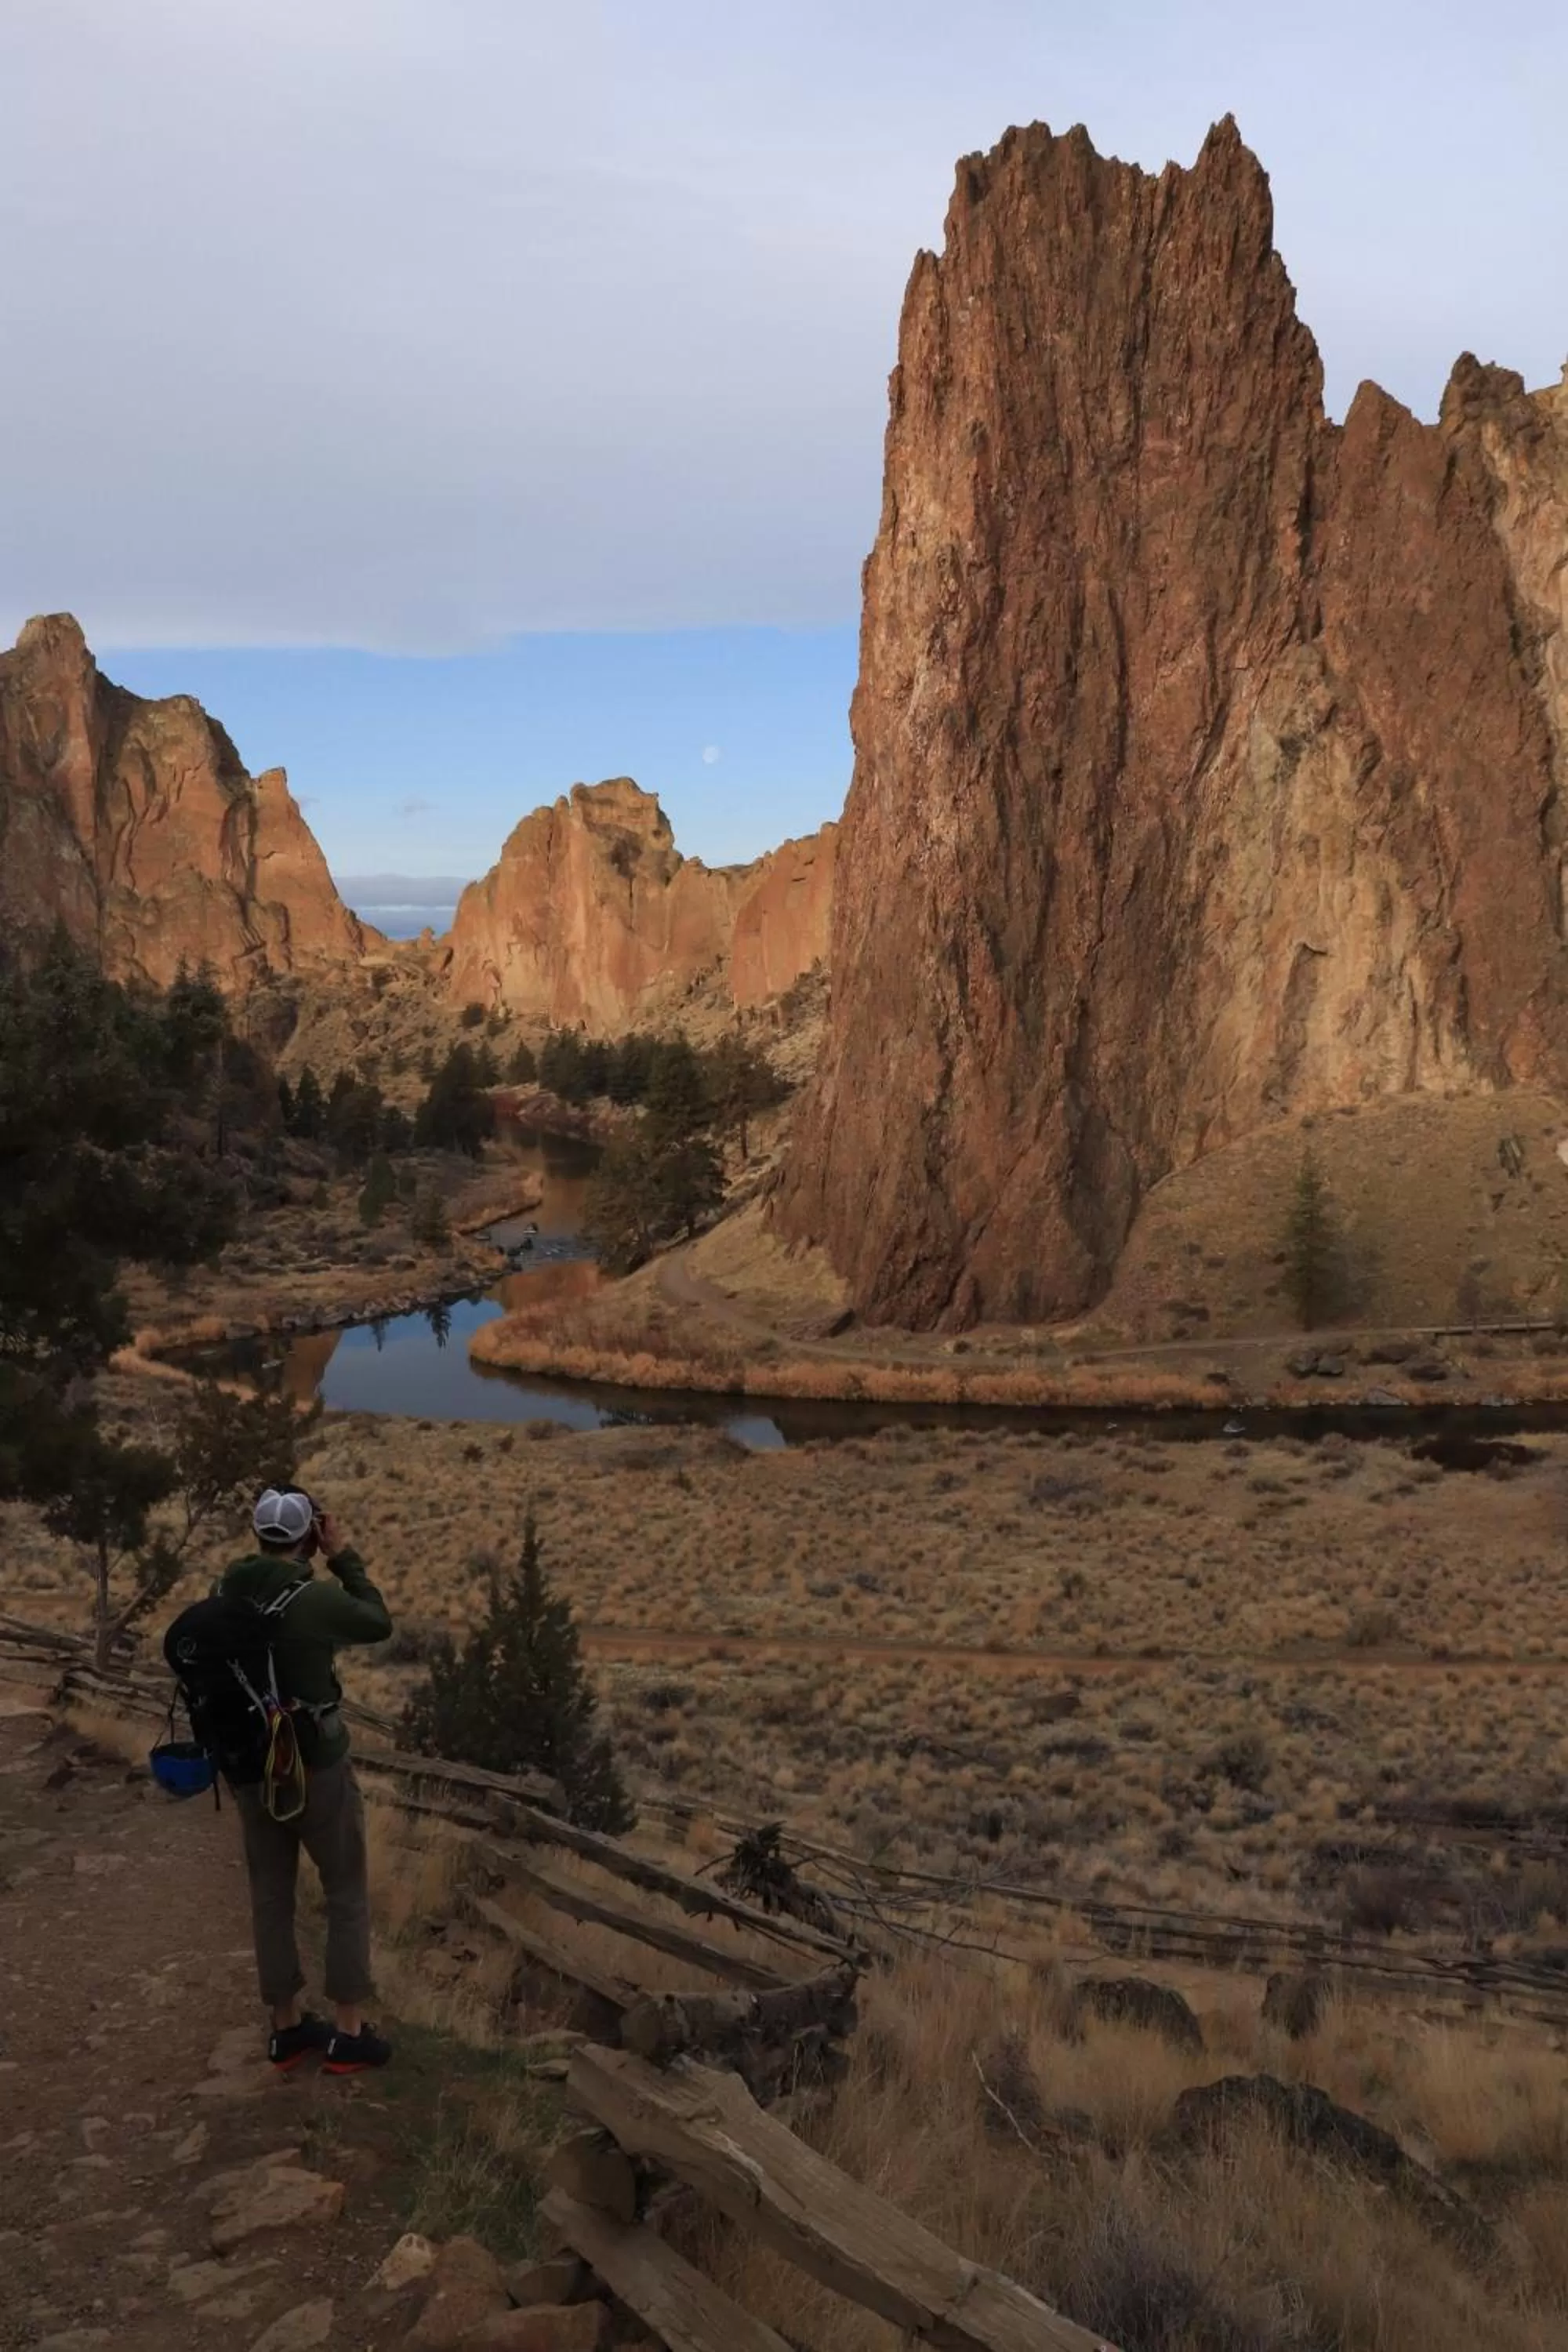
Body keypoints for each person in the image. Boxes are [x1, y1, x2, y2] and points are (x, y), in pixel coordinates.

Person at [219, 1486, 394, 2073]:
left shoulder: (227, 1590)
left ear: (257, 1533)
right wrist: (342, 1557)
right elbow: (377, 1621)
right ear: (308, 1536)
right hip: (316, 1765)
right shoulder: (315, 1600)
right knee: (344, 1890)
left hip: (253, 1767)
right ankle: (348, 2033)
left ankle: (286, 2028)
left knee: (271, 1894)